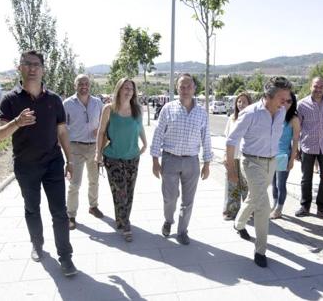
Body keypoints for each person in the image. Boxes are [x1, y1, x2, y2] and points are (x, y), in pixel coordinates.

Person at [0, 50, 77, 277]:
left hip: (52, 162)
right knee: (32, 208)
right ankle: (37, 244)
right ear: (19, 67)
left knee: (60, 212)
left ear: (42, 69)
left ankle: (66, 257)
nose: (32, 68)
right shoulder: (10, 100)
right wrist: (17, 122)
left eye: (36, 65)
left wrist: (70, 160)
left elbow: (62, 131)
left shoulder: (53, 99)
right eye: (27, 64)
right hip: (26, 166)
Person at [226, 76, 292, 268]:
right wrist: (231, 169)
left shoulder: (281, 112)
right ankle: (260, 250)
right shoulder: (250, 113)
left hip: (271, 163)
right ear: (269, 96)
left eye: (288, 98)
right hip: (251, 163)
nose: (285, 102)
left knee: (254, 198)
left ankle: (238, 224)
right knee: (263, 204)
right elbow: (231, 141)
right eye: (282, 98)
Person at [150, 73, 212, 245]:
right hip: (170, 160)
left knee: (188, 200)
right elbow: (157, 135)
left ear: (194, 88)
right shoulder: (168, 109)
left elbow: (206, 138)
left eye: (188, 86)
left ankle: (182, 231)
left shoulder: (201, 113)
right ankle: (168, 220)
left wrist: (207, 163)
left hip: (192, 161)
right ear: (177, 88)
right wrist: (155, 160)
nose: (185, 90)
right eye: (182, 87)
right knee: (170, 197)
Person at [96, 78, 147, 242]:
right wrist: (98, 154)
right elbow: (101, 132)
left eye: (131, 89)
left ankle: (121, 219)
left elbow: (140, 128)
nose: (128, 91)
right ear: (118, 89)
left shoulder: (137, 110)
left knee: (129, 192)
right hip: (113, 158)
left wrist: (145, 143)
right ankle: (126, 225)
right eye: (125, 88)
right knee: (120, 192)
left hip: (133, 157)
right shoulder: (108, 109)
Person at [63, 74, 104, 231]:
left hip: (94, 147)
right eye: (80, 83)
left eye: (86, 83)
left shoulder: (97, 103)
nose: (84, 86)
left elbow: (103, 122)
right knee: (74, 184)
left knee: (94, 180)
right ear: (75, 86)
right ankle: (71, 215)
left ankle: (93, 206)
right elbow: (63, 128)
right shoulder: (67, 104)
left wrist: (100, 131)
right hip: (76, 148)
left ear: (90, 85)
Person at [295, 76, 323, 219]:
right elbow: (297, 128)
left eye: (321, 86)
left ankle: (322, 208)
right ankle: (305, 206)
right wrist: (295, 147)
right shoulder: (302, 105)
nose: (318, 89)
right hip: (308, 147)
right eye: (315, 86)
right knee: (306, 178)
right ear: (310, 86)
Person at [270, 92, 300, 219]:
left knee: (280, 184)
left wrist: (292, 159)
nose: (286, 103)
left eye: (289, 101)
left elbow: (295, 142)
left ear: (293, 103)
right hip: (271, 154)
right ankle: (274, 204)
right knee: (273, 183)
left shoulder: (294, 119)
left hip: (284, 156)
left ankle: (279, 209)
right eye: (284, 100)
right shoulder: (275, 114)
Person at [222, 92, 252, 221]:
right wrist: (225, 156)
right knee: (232, 185)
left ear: (249, 104)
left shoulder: (253, 118)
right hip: (232, 156)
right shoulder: (232, 119)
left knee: (247, 186)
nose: (241, 104)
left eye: (244, 102)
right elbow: (227, 139)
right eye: (239, 102)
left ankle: (248, 212)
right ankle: (231, 211)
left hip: (247, 157)